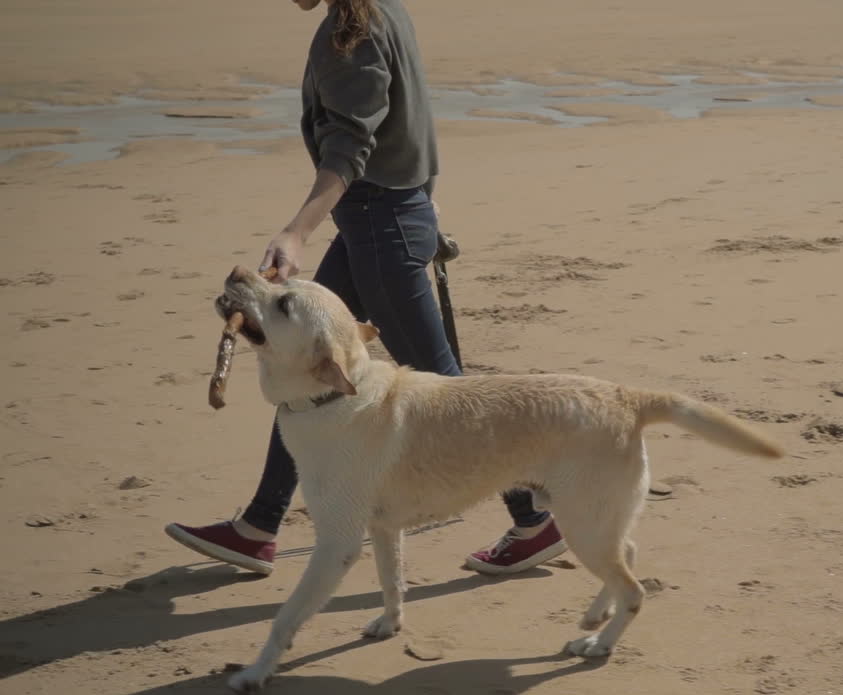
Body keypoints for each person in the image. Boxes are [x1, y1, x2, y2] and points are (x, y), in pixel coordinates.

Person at [164, 0, 565, 577]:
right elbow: (410, 128)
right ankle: (258, 526)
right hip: (381, 223)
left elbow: (352, 146)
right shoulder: (383, 10)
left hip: (381, 226)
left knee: (449, 390)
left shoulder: (351, 31)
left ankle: (532, 519)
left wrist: (296, 232)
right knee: (304, 375)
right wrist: (421, 209)